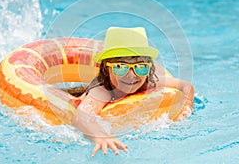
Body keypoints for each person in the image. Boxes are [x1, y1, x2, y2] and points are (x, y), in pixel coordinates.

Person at [72, 27, 194, 157]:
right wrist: (101, 136)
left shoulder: (149, 82)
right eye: (120, 67)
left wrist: (187, 105)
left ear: (149, 68)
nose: (131, 75)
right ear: (106, 68)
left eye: (140, 67)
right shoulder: (102, 90)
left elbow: (186, 85)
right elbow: (82, 116)